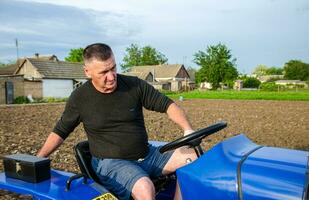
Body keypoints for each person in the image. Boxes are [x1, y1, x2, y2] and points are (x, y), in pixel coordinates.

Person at [37, 43, 197, 200]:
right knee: (145, 188)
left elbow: (169, 106)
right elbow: (61, 131)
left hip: (147, 155)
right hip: (110, 163)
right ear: (87, 72)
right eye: (104, 72)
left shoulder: (134, 85)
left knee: (194, 159)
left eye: (113, 68)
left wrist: (188, 129)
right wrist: (38, 159)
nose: (112, 76)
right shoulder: (80, 98)